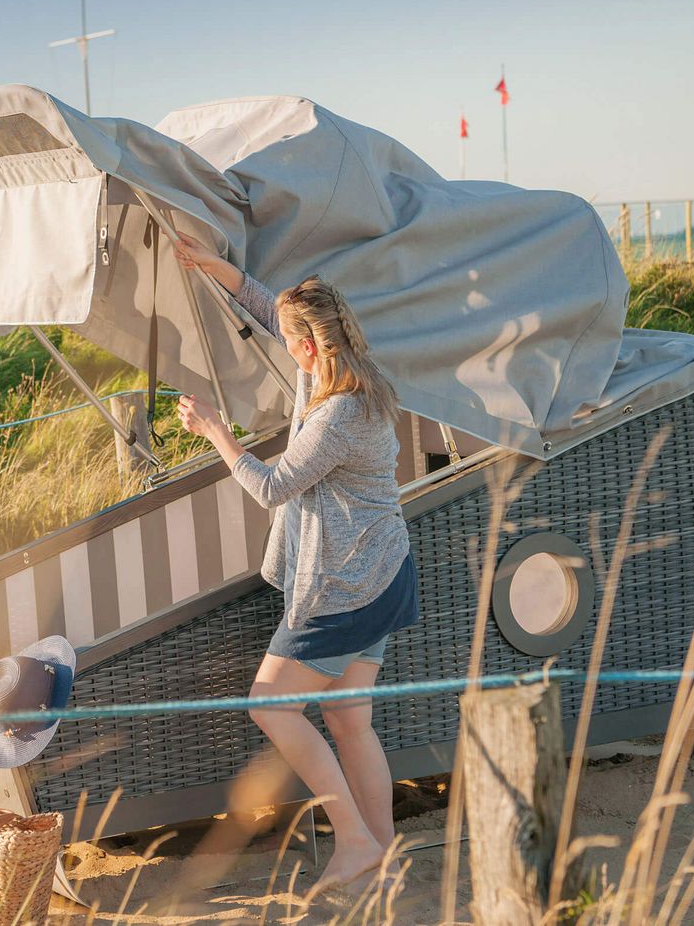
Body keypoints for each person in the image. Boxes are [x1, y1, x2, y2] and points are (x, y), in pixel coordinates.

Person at [172, 233, 420, 895]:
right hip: (386, 573)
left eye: (288, 339)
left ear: (309, 346)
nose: (282, 345)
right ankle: (383, 851)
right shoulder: (348, 372)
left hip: (347, 585)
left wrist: (215, 432)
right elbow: (260, 303)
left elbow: (271, 488)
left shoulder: (336, 415)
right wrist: (208, 264)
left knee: (270, 705)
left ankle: (356, 841)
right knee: (348, 718)